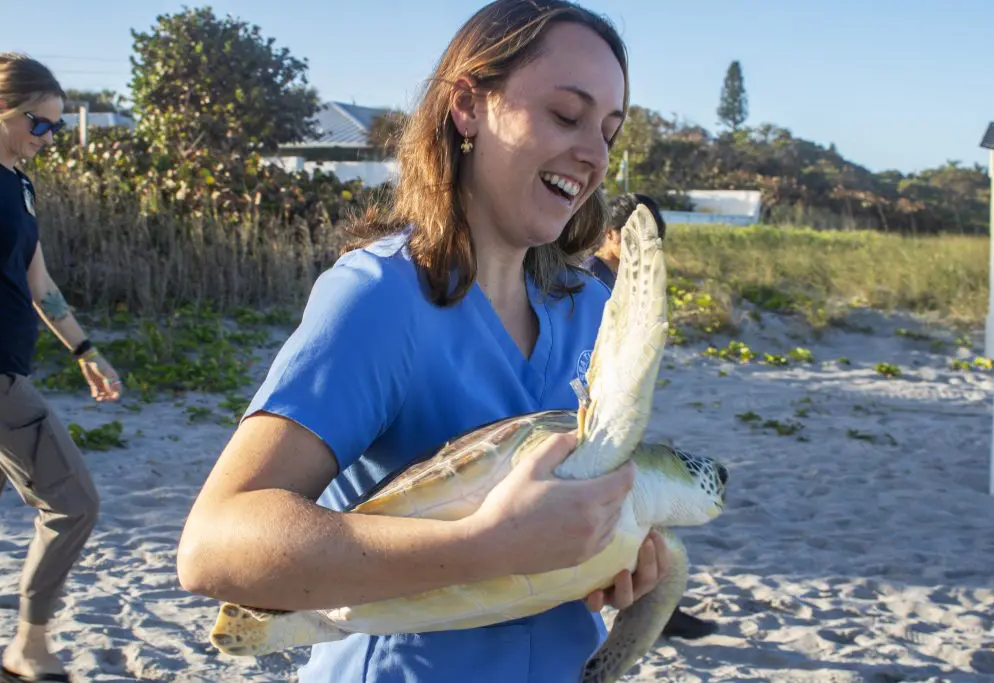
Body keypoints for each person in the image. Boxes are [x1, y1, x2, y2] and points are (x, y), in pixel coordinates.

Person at [177, 1, 673, 681]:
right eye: (565, 114)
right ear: (467, 105)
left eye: (609, 132)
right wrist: (487, 545)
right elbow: (213, 545)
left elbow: (584, 518)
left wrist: (616, 557)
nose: (594, 155)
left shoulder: (592, 309)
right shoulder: (382, 297)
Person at [0, 52, 122, 683]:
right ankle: (30, 646)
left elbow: (38, 283)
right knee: (73, 503)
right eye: (38, 124)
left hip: (11, 365)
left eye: (55, 127)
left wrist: (85, 352)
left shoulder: (19, 184)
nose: (47, 139)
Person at [583, 192, 720, 641]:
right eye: (638, 238)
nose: (647, 247)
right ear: (609, 236)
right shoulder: (590, 284)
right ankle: (653, 610)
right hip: (595, 426)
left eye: (655, 238)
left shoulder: (629, 279)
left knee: (648, 519)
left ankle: (659, 607)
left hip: (621, 418)